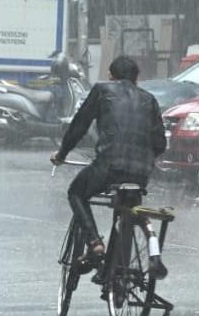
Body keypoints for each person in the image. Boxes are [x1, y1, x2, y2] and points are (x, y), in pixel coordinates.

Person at [50, 55, 167, 270]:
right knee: (128, 207)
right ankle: (117, 274)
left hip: (109, 167)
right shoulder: (149, 99)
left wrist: (62, 154)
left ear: (111, 76)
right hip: (141, 173)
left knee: (76, 192)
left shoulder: (102, 90)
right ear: (136, 79)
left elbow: (79, 125)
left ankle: (94, 243)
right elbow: (160, 143)